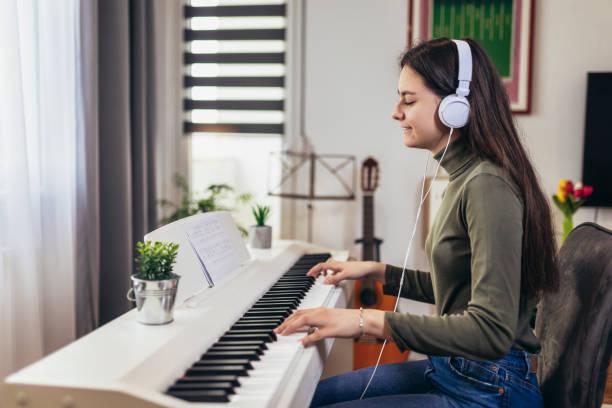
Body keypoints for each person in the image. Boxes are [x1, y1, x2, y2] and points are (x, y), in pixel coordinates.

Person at [273, 37, 559, 408]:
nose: (396, 112)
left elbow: (491, 331)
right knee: (305, 399)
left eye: (408, 100)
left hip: (490, 387)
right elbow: (457, 288)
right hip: (455, 369)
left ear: (458, 107)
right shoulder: (465, 177)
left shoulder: (486, 184)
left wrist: (363, 321)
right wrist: (374, 269)